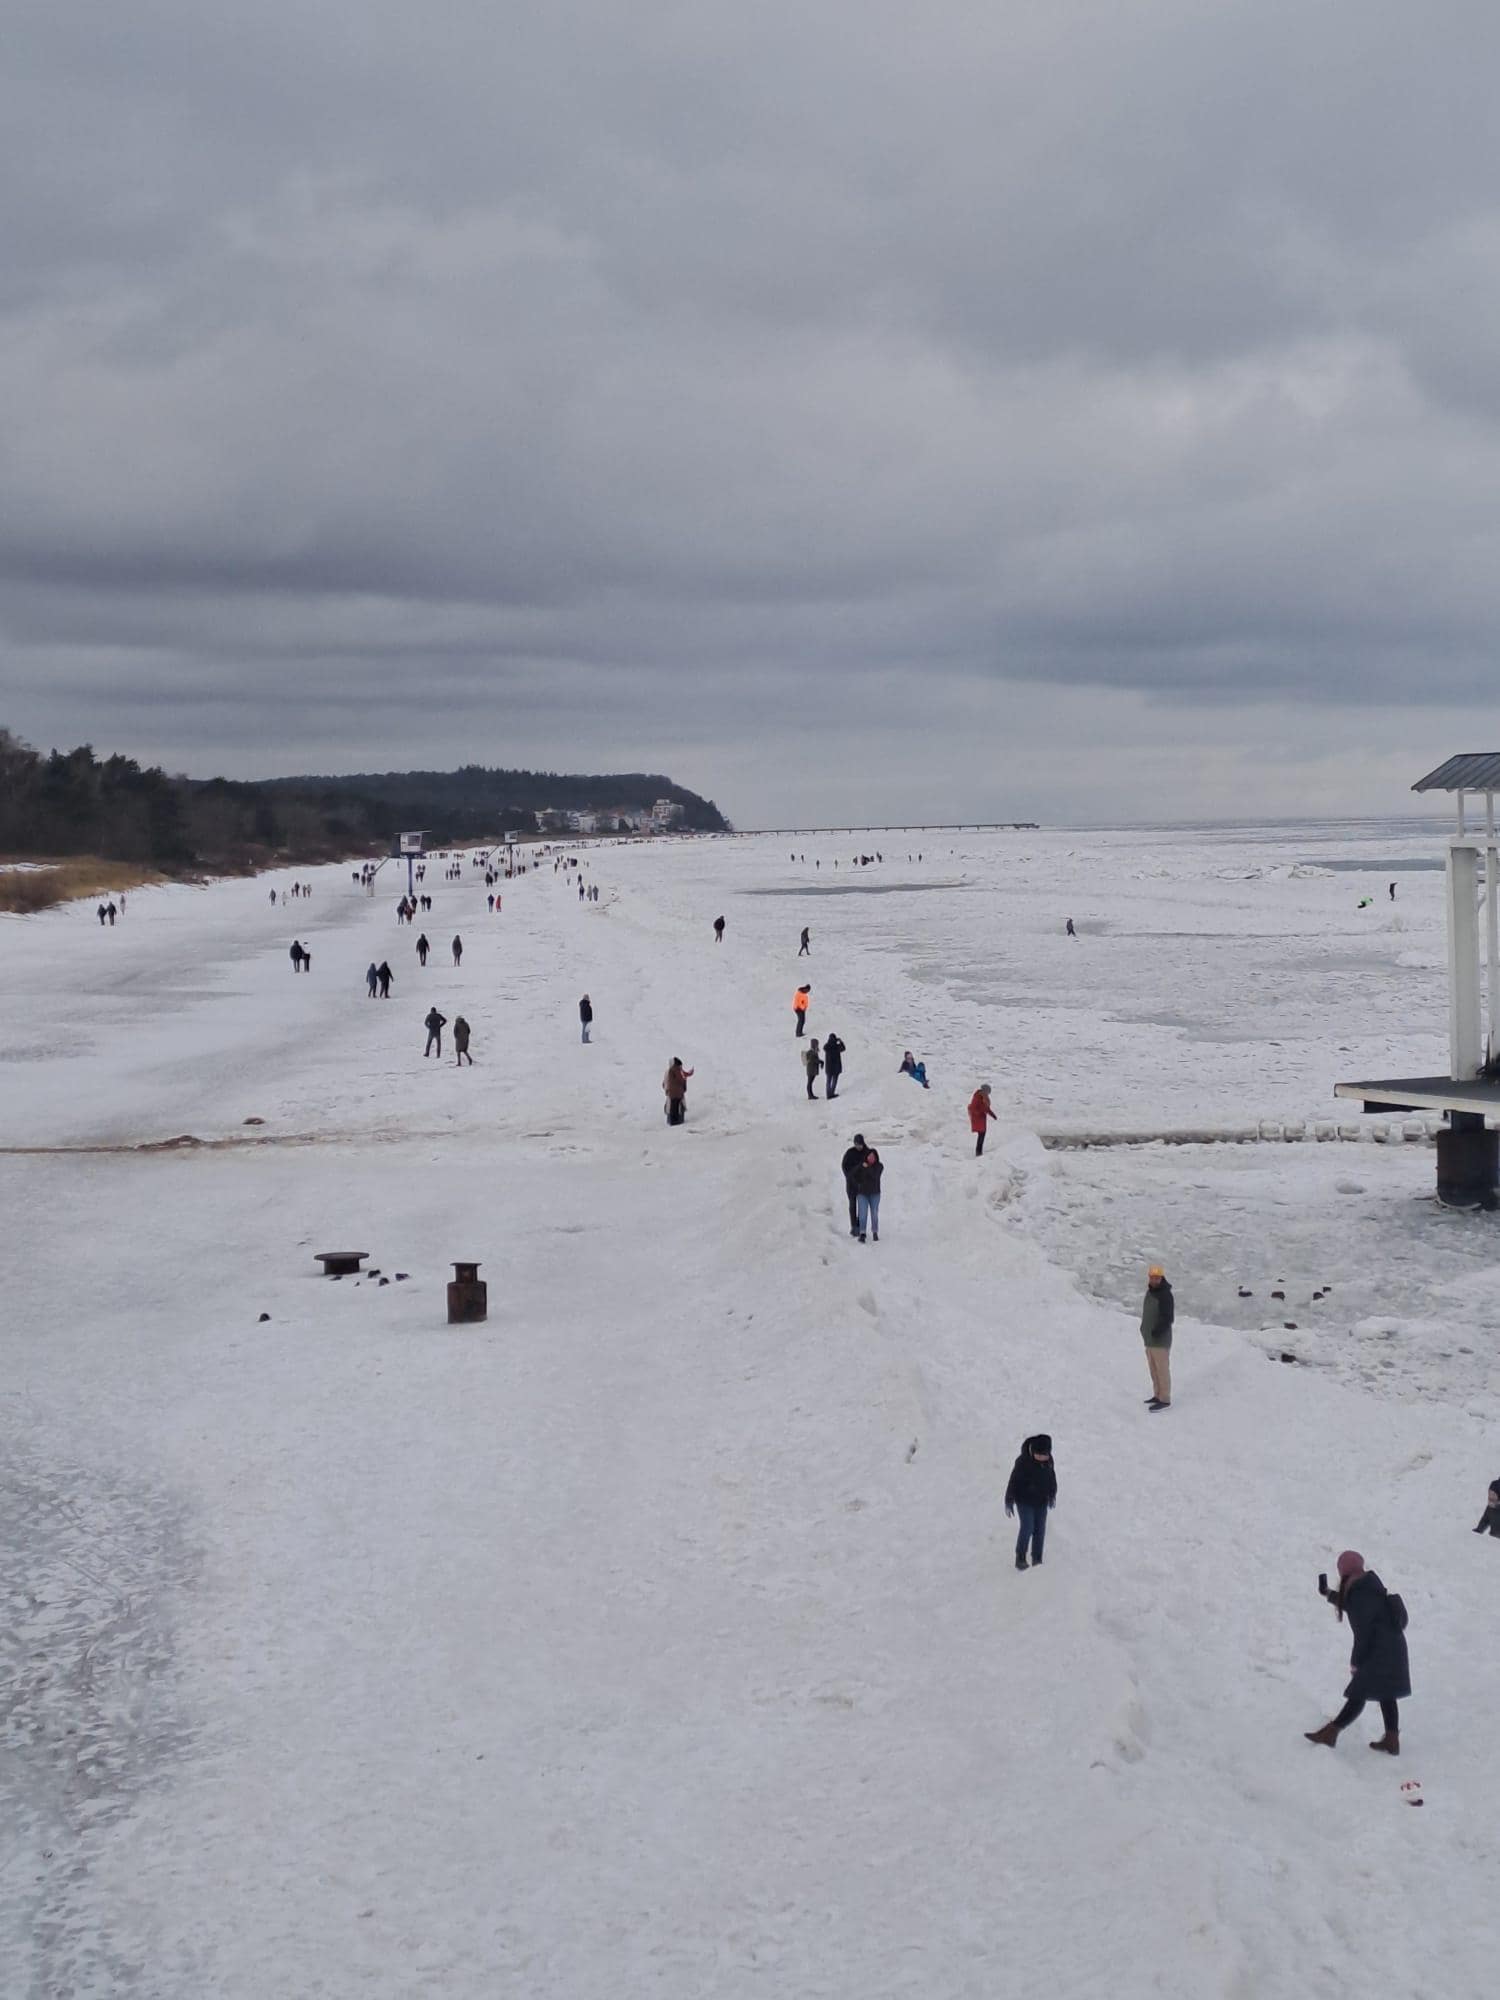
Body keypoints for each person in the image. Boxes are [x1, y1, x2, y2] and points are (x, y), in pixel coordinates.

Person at [1305, 1551, 1411, 1755]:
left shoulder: (1360, 1592)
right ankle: (1391, 1740)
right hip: (1392, 1647)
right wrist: (1327, 1593)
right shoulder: (1366, 1585)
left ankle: (1331, 1733)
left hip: (1378, 1651)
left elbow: (1364, 1632)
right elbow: (1353, 1606)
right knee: (1386, 1693)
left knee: (1359, 1692)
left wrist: (1357, 1661)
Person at [1004, 1435, 1056, 1571]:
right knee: (1027, 1527)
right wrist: (1009, 1500)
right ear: (1033, 1451)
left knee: (1040, 1529)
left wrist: (1052, 1494)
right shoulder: (1023, 1461)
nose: (1042, 1458)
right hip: (1024, 1501)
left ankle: (1037, 1558)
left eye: (1044, 1455)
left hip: (1041, 1501)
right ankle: (1020, 1557)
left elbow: (1052, 1478)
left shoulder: (1049, 1461)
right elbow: (1013, 1481)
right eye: (1039, 1455)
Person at [1140, 1265, 1174, 1408]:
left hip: (1160, 1340)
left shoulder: (1165, 1295)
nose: (1154, 1280)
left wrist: (1157, 1331)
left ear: (1161, 1278)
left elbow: (1168, 1317)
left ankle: (1164, 1399)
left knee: (1162, 1370)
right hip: (1149, 1340)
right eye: (1152, 1277)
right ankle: (1157, 1395)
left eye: (1157, 1278)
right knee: (1154, 1370)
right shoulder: (1150, 1292)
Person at [840, 1134, 867, 1236]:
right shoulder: (850, 1153)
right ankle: (854, 1226)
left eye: (860, 1144)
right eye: (856, 1144)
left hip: (863, 1184)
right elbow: (844, 1166)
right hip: (851, 1184)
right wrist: (849, 1176)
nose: (858, 1146)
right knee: (852, 1205)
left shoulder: (867, 1153)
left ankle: (859, 1226)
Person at [854, 1148, 883, 1242]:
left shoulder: (879, 1166)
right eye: (869, 1156)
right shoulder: (861, 1165)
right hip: (862, 1194)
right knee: (862, 1213)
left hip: (875, 1194)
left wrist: (867, 1167)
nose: (871, 1158)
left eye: (873, 1156)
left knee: (874, 1213)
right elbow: (855, 1175)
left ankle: (875, 1231)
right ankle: (862, 1233)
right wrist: (857, 1184)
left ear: (876, 1158)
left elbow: (875, 1176)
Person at [663, 1057, 694, 1125]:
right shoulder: (677, 1069)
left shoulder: (670, 1070)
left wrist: (666, 1088)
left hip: (671, 1092)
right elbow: (682, 1077)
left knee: (672, 1106)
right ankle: (675, 1121)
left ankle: (672, 1120)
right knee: (676, 1106)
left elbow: (665, 1081)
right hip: (677, 1092)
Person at [968, 1083, 997, 1156]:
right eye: (988, 1092)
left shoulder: (983, 1097)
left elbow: (986, 1108)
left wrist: (993, 1115)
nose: (988, 1094)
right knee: (981, 1134)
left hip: (981, 1119)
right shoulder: (978, 1097)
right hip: (978, 1119)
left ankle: (979, 1151)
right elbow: (973, 1108)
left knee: (982, 1134)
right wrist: (979, 1112)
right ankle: (978, 1152)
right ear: (985, 1091)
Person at [822, 1032, 845, 1099]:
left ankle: (828, 1094)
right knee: (834, 1080)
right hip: (836, 1067)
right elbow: (843, 1048)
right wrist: (840, 1041)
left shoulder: (827, 1046)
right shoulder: (836, 1046)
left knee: (828, 1081)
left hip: (828, 1068)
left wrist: (829, 1041)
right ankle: (831, 1093)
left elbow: (824, 1047)